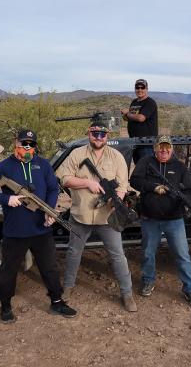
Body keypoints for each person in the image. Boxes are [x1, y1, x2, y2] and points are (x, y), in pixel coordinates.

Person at [0, 128, 77, 323]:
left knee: (50, 268)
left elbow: (53, 188)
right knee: (8, 270)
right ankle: (5, 307)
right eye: (24, 143)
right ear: (16, 144)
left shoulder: (44, 165)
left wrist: (49, 212)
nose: (27, 147)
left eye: (31, 144)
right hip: (15, 230)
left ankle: (57, 302)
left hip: (41, 228)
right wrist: (7, 199)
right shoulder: (5, 166)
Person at [58, 121, 137, 312]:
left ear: (107, 136)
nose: (98, 138)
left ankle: (127, 294)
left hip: (107, 217)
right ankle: (67, 288)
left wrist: (116, 199)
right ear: (89, 134)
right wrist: (87, 183)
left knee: (118, 256)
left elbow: (122, 185)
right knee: (73, 253)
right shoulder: (77, 154)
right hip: (81, 215)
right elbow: (64, 178)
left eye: (102, 134)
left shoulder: (116, 156)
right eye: (95, 134)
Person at [129, 135, 191, 307]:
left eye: (167, 148)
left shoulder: (180, 167)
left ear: (172, 149)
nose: (163, 151)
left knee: (182, 255)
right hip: (149, 218)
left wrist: (184, 203)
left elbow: (190, 191)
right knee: (148, 253)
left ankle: (189, 288)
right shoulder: (146, 162)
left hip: (174, 219)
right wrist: (153, 187)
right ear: (155, 148)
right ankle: (148, 280)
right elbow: (135, 181)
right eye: (160, 147)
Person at [121, 78, 158, 164]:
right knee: (139, 168)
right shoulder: (134, 102)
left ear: (147, 89)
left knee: (148, 168)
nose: (140, 90)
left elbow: (141, 118)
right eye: (137, 88)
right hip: (134, 142)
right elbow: (128, 118)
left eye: (142, 87)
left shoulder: (150, 102)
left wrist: (128, 113)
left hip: (146, 144)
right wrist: (125, 115)